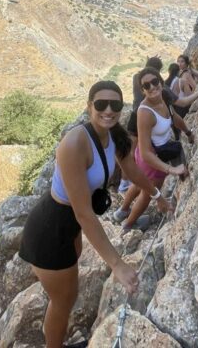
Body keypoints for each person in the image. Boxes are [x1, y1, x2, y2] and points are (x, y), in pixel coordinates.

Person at [19, 80, 173, 348]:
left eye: (115, 104)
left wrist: (158, 196)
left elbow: (134, 171)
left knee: (67, 294)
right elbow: (84, 215)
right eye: (101, 104)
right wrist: (117, 265)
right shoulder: (75, 143)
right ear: (89, 106)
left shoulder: (113, 136)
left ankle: (58, 340)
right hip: (50, 229)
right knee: (63, 300)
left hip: (68, 226)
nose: (108, 110)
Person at [115, 68, 194, 230]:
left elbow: (174, 118)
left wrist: (188, 131)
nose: (151, 87)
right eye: (146, 85)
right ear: (142, 90)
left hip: (151, 155)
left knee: (139, 184)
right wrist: (171, 169)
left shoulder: (163, 97)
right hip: (151, 159)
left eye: (154, 82)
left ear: (161, 81)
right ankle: (129, 225)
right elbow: (145, 153)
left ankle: (122, 211)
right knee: (148, 192)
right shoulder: (145, 112)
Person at [175, 54, 198, 120]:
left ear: (186, 63)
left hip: (186, 103)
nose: (179, 63)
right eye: (178, 61)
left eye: (182, 61)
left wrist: (193, 94)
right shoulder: (185, 71)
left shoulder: (186, 74)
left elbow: (195, 86)